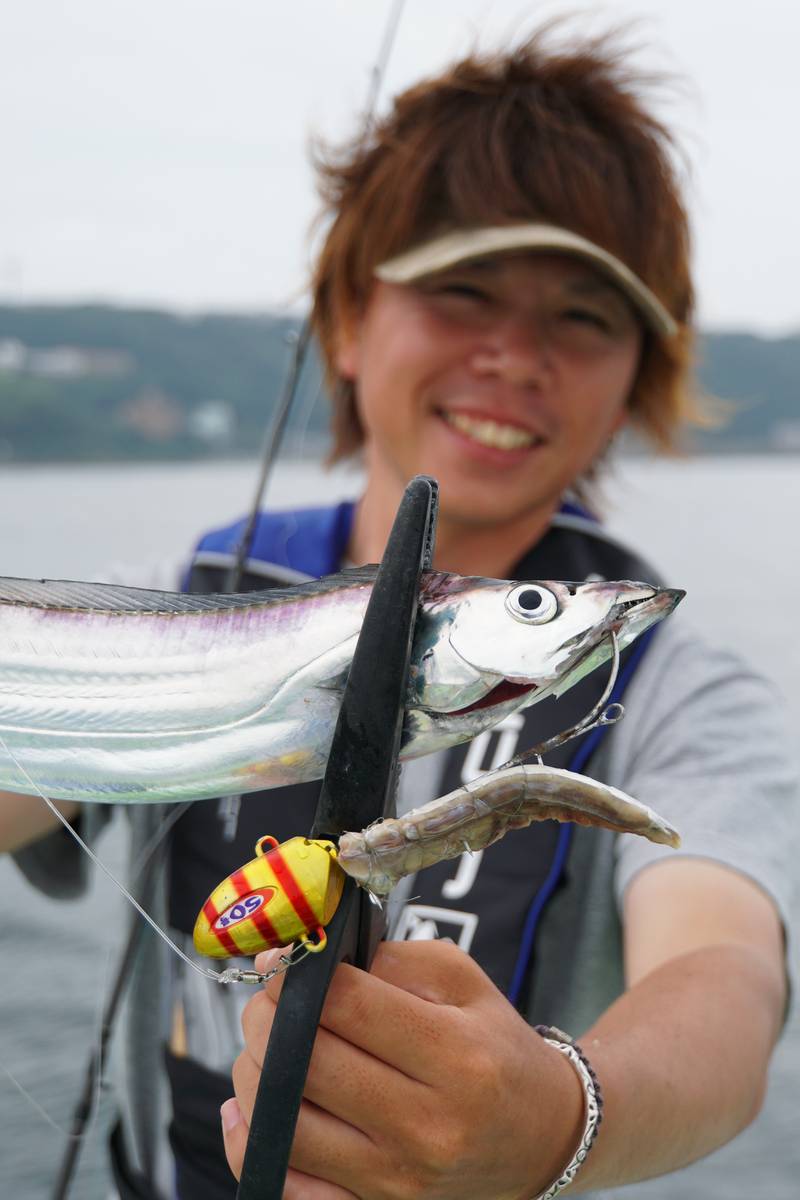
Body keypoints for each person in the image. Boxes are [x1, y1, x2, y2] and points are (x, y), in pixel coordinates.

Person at [2, 30, 795, 1200]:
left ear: (637, 373)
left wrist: (558, 1116)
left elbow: (725, 975)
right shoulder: (171, 611)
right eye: (461, 289)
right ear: (344, 321)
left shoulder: (677, 687)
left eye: (583, 318)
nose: (513, 356)